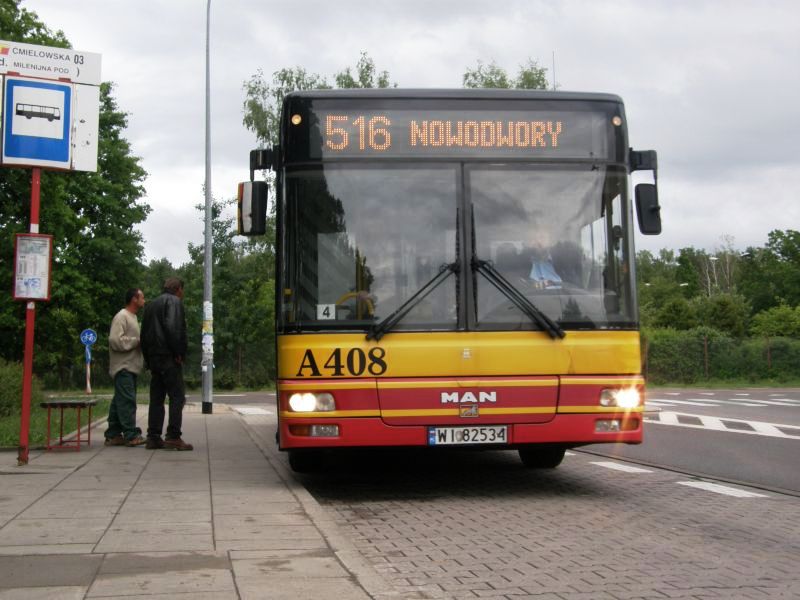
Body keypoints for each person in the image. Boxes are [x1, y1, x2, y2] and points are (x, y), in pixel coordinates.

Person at [140, 277, 193, 451]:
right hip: (169, 357)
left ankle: (153, 437)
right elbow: (174, 328)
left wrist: (148, 359)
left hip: (154, 358)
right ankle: (173, 436)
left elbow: (144, 335)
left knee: (156, 398)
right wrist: (179, 352)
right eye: (182, 291)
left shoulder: (150, 305)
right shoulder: (175, 302)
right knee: (177, 397)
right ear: (178, 289)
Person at [104, 288, 146, 447]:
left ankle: (113, 434)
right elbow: (115, 340)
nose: (144, 300)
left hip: (130, 366)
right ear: (134, 299)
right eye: (142, 297)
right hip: (123, 367)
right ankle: (130, 435)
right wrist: (136, 341)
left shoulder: (133, 317)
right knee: (128, 401)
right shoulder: (122, 316)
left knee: (119, 400)